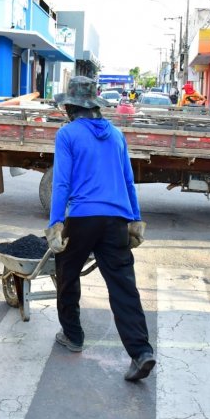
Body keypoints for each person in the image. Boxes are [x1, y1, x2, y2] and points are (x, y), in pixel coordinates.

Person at [46, 75, 154, 382]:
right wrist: (135, 219)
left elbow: (62, 182)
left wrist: (55, 223)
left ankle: (73, 335)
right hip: (117, 220)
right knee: (123, 286)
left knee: (67, 272)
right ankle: (141, 351)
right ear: (94, 105)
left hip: (83, 217)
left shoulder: (67, 134)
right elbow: (129, 181)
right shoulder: (117, 135)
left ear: (71, 108)